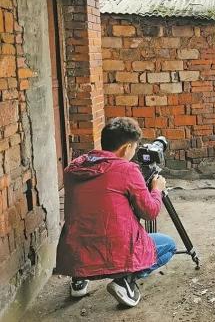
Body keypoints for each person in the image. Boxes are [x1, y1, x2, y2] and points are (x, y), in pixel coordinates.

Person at [55, 117, 176, 307]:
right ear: (127, 147)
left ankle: (79, 280)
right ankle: (124, 282)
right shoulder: (127, 170)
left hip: (75, 256)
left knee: (87, 226)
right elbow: (150, 212)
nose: (134, 152)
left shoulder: (73, 168)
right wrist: (156, 189)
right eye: (135, 148)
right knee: (168, 245)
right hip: (114, 253)